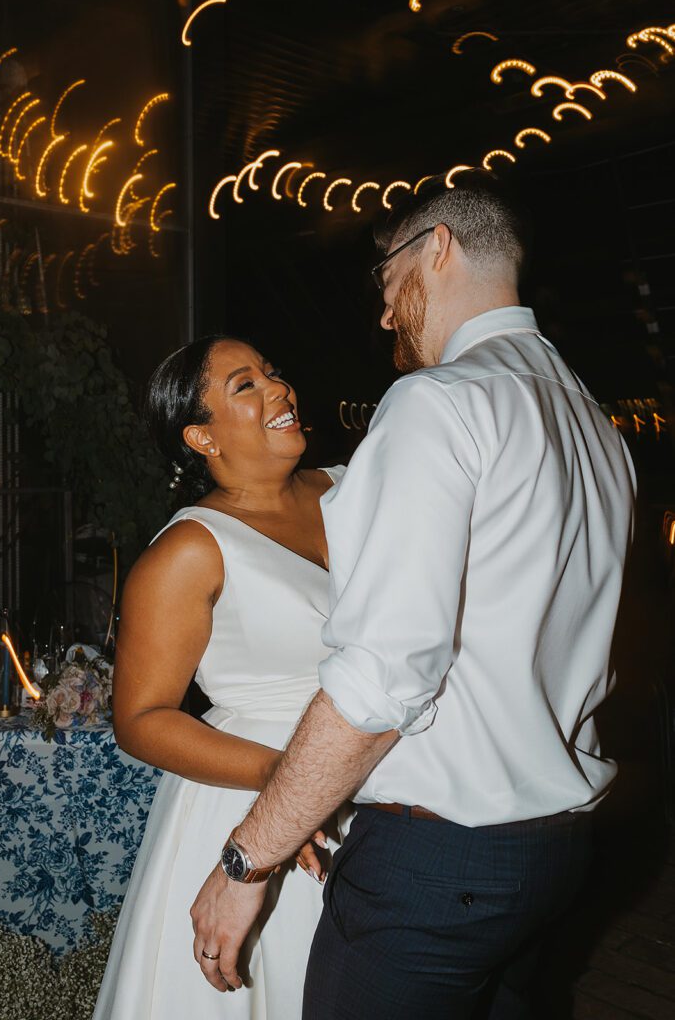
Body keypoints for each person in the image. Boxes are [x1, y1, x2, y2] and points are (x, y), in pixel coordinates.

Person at [190, 174, 637, 1019]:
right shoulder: (589, 421)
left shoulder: (440, 402)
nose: (386, 315)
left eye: (385, 283)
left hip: (437, 869)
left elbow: (384, 677)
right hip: (554, 854)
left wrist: (248, 861)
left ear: (435, 249)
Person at [92, 335, 346, 1020]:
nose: (278, 390)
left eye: (273, 372)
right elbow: (141, 720)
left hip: (384, 780)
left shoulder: (355, 487)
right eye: (246, 386)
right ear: (201, 435)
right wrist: (284, 785)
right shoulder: (188, 550)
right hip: (251, 791)